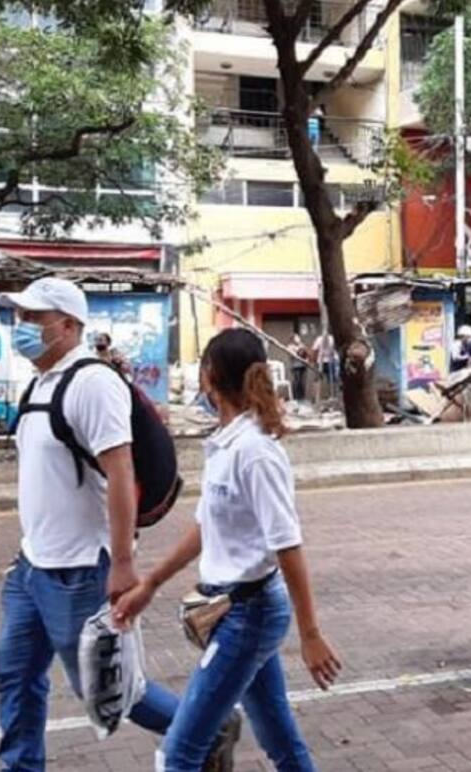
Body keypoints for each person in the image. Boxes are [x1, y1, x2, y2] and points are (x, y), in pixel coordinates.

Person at [0, 277, 237, 772]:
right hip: (33, 566)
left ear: (67, 325)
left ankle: (203, 728)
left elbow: (121, 473)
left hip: (82, 568)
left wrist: (123, 563)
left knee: (106, 689)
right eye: (20, 317)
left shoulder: (92, 382)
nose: (22, 327)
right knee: (16, 676)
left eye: (33, 319)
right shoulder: (41, 384)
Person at [114, 328, 342, 771]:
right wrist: (151, 583)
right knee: (280, 741)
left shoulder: (255, 452)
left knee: (179, 753)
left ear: (208, 377)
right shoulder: (227, 444)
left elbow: (288, 546)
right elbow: (206, 526)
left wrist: (310, 634)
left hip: (248, 615)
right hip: (230, 609)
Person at [312, 330, 337, 399]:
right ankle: (317, 396)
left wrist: (314, 361)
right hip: (322, 361)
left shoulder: (330, 339)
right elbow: (315, 351)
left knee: (330, 379)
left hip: (328, 361)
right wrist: (314, 361)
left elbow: (314, 350)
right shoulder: (322, 339)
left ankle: (331, 395)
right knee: (319, 379)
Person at [288, 331, 310, 401]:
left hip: (303, 366)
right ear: (293, 339)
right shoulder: (290, 346)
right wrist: (298, 351)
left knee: (302, 382)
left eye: (298, 337)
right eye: (296, 338)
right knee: (296, 382)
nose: (298, 339)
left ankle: (302, 397)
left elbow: (307, 354)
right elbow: (291, 355)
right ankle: (296, 397)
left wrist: (307, 359)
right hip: (295, 366)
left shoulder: (302, 345)